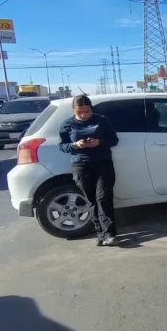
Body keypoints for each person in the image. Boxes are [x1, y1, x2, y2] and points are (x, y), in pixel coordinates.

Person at [58, 94, 120, 246]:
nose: (84, 115)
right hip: (81, 164)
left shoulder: (102, 120)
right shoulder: (67, 124)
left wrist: (99, 142)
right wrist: (75, 145)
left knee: (103, 197)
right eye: (80, 112)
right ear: (74, 110)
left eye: (87, 111)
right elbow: (62, 146)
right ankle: (100, 233)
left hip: (102, 162)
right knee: (91, 200)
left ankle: (110, 234)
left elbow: (114, 140)